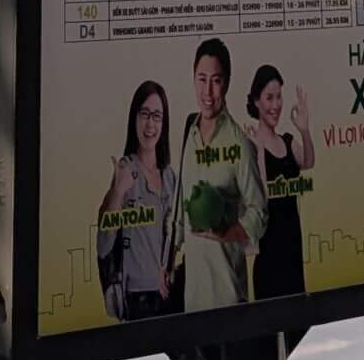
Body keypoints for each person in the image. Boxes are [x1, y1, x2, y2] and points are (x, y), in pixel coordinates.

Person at [173, 37, 266, 312]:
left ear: (226, 83)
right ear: (193, 79)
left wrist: (230, 233)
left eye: (216, 81)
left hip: (229, 298)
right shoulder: (188, 134)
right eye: (202, 80)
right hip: (192, 301)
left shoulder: (239, 143)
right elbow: (180, 207)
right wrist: (167, 260)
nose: (208, 92)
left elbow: (259, 212)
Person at [96, 81, 174, 322]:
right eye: (144, 114)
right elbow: (104, 245)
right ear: (134, 118)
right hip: (135, 298)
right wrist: (118, 191)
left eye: (157, 116)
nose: (150, 124)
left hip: (167, 295)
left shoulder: (169, 176)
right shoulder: (125, 169)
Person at [244, 65, 315, 302]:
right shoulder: (251, 143)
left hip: (292, 246)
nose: (276, 105)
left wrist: (304, 130)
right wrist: (259, 152)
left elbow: (308, 162)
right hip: (269, 252)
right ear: (256, 101)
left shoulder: (287, 140)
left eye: (279, 97)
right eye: (269, 98)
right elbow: (260, 196)